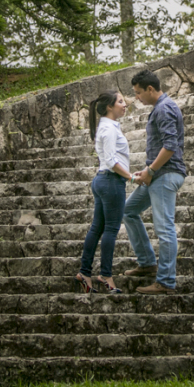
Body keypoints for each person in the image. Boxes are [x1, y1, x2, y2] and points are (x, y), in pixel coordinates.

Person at [122, 69, 186, 295]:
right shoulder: (161, 108)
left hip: (165, 175)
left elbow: (170, 146)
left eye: (138, 93)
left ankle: (166, 281)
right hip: (158, 173)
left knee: (164, 228)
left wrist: (150, 170)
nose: (136, 98)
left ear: (150, 89)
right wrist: (148, 169)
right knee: (128, 210)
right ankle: (148, 262)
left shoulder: (164, 109)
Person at [76, 90, 131, 294]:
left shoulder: (107, 127)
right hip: (111, 181)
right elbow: (110, 160)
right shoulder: (108, 129)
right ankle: (106, 275)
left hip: (104, 180)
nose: (125, 104)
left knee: (97, 228)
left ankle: (84, 273)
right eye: (121, 101)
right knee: (110, 229)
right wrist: (130, 176)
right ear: (110, 106)